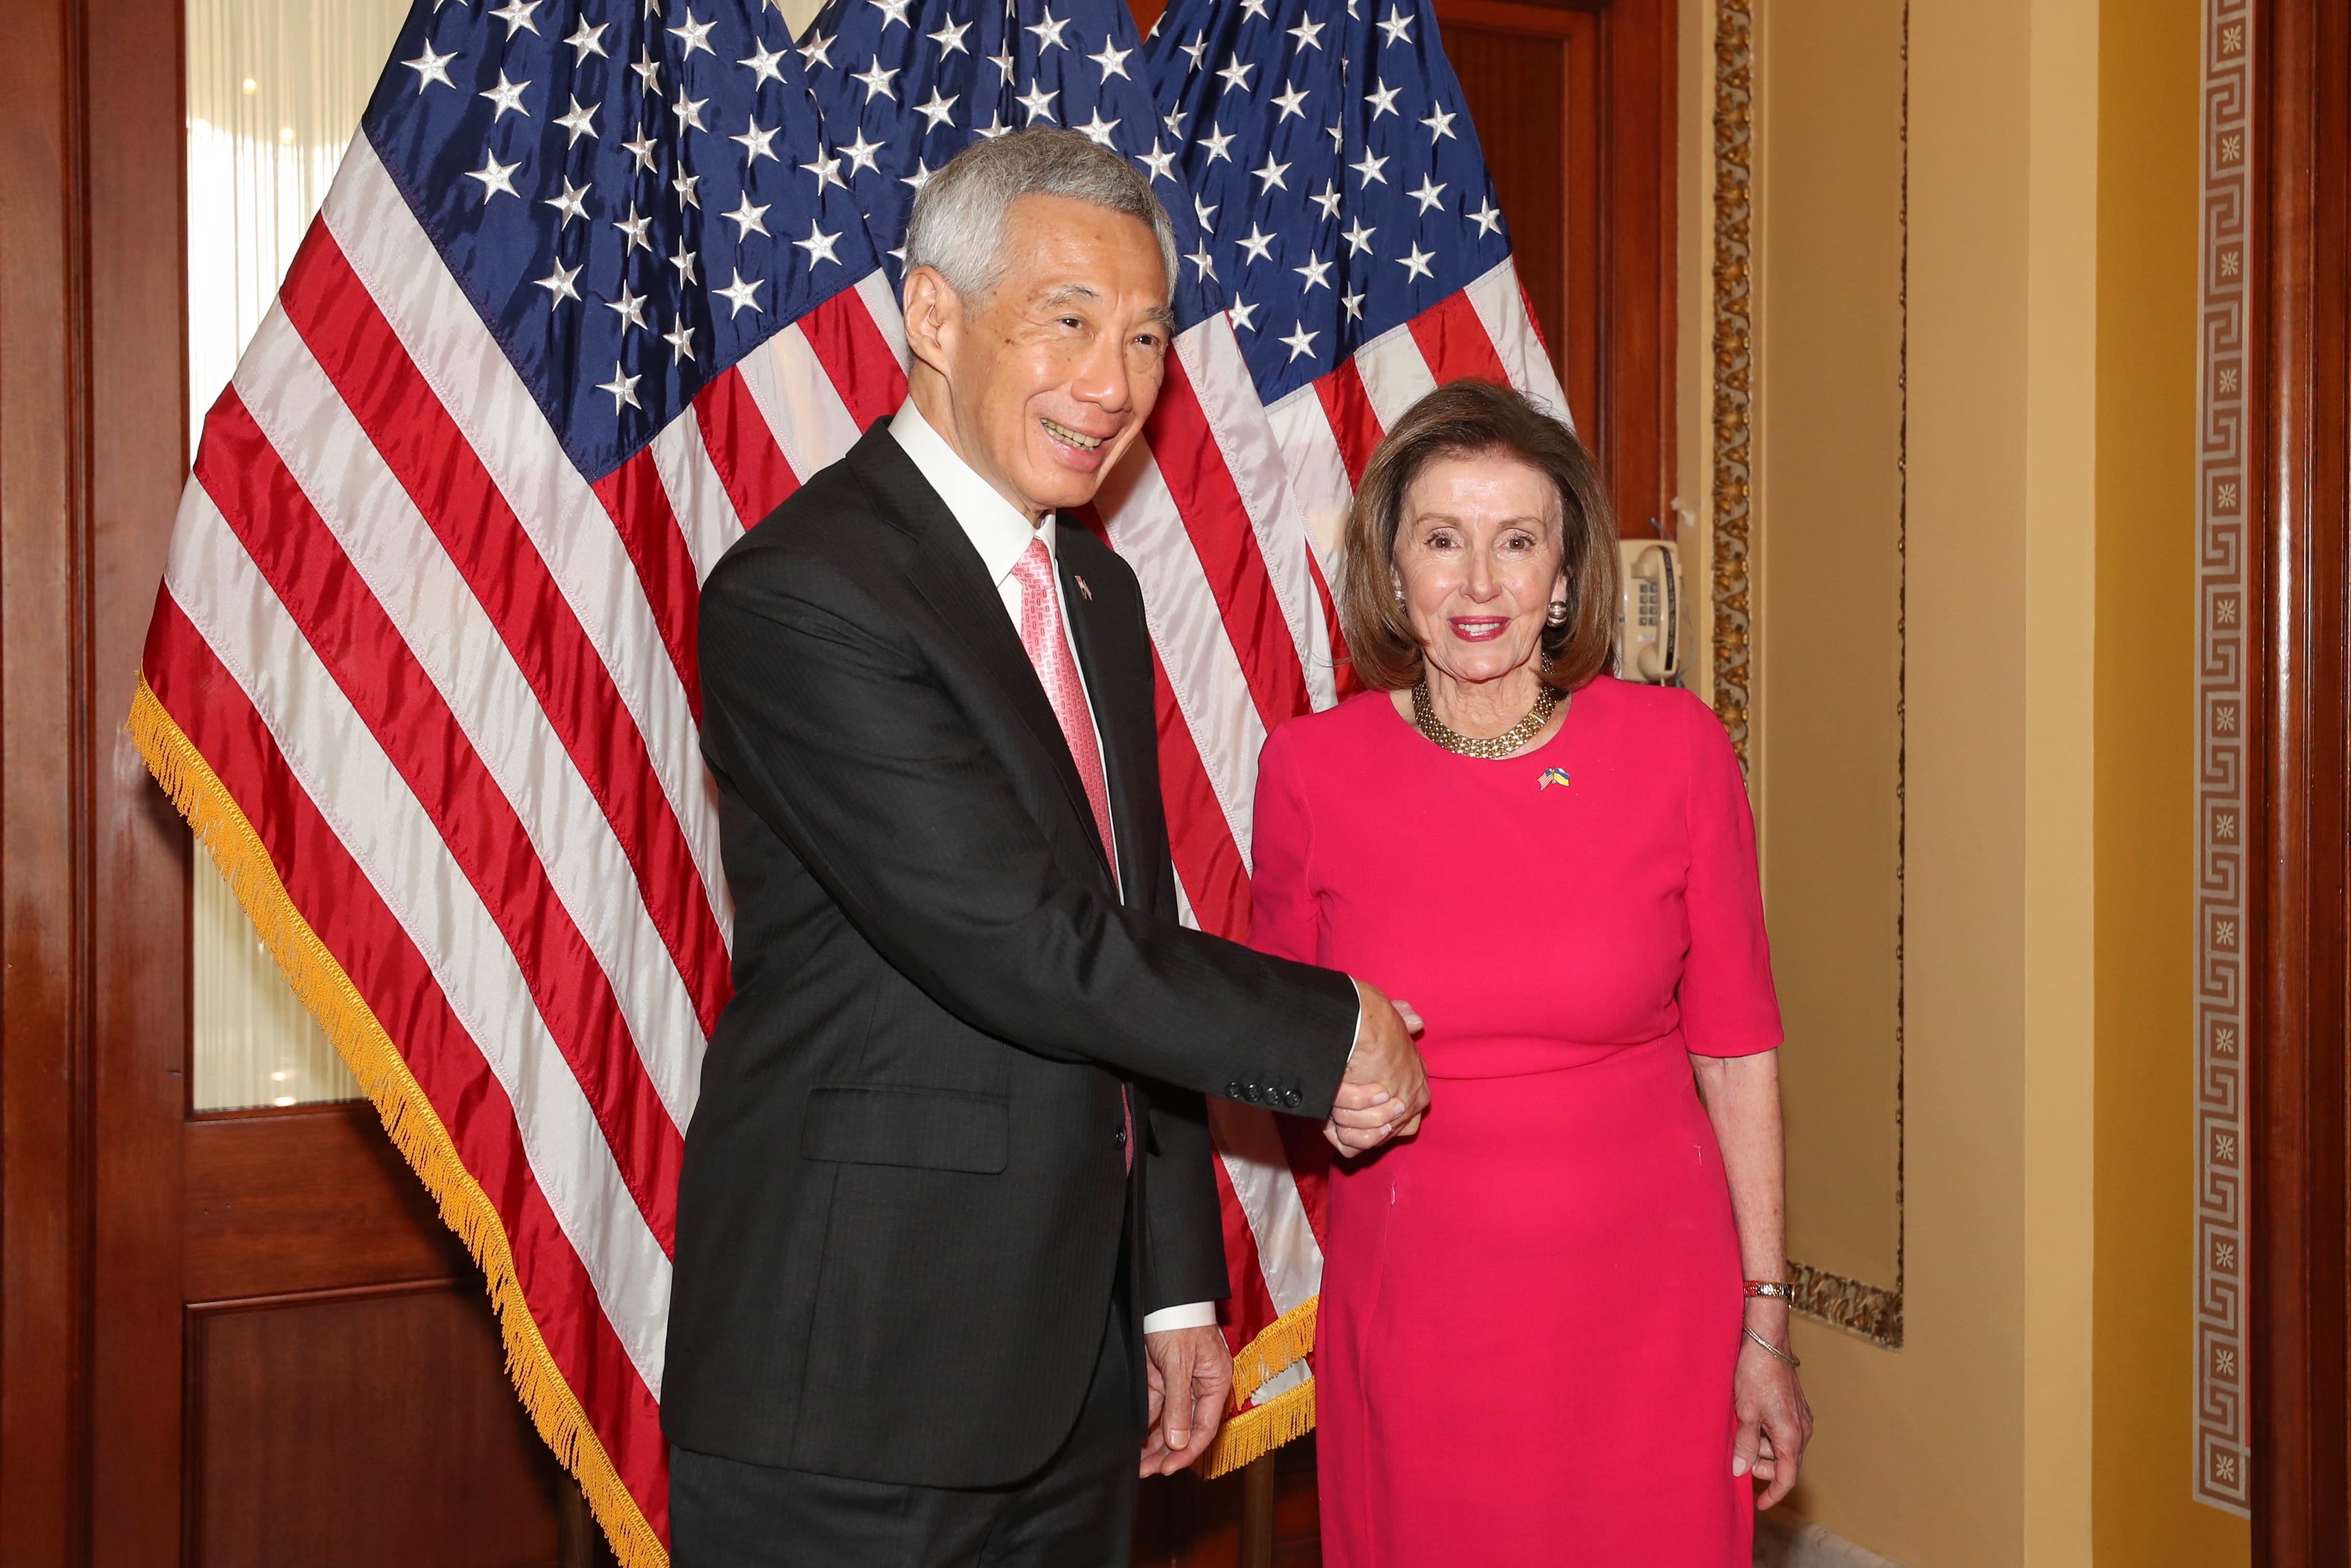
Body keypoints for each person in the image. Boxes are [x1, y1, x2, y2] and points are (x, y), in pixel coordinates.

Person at [662, 129, 1429, 1568]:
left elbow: (1125, 915)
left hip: (1071, 1381)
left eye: (1145, 339)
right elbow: (1020, 940)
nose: (1112, 385)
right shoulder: (803, 595)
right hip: (854, 1383)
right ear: (933, 317)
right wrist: (1331, 1031)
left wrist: (1174, 1293)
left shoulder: (1094, 583)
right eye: (1067, 323)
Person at [1250, 380, 1811, 1566]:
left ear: (1566, 576)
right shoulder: (1311, 769)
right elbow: (1266, 1045)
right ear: (1392, 569)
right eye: (1443, 540)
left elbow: (1737, 1044)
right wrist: (1329, 1084)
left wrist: (1767, 1320)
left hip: (1656, 1307)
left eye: (1519, 542)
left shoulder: (1677, 751)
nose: (1481, 584)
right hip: (1420, 1313)